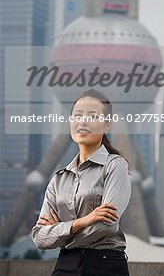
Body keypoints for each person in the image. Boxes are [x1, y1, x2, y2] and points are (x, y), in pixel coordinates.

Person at [31, 89, 132, 276]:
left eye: (93, 116)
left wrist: (60, 232)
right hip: (65, 264)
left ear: (107, 125)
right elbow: (39, 237)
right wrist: (85, 220)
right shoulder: (59, 178)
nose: (83, 121)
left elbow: (107, 225)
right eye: (77, 115)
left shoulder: (115, 166)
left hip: (104, 264)